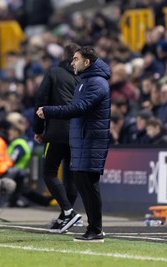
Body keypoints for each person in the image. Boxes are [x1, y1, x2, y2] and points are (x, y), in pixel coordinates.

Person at [36, 46, 111, 242]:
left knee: (89, 184)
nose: (72, 62)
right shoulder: (84, 81)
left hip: (91, 139)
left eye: (76, 59)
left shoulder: (96, 83)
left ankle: (96, 229)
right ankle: (93, 228)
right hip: (82, 139)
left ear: (87, 62)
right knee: (81, 181)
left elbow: (79, 108)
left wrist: (49, 111)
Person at [33, 43, 81, 234]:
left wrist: (38, 129)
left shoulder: (53, 73)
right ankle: (64, 217)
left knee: (49, 172)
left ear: (63, 56)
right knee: (71, 176)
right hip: (77, 133)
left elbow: (40, 101)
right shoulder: (82, 78)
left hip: (57, 131)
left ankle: (68, 212)